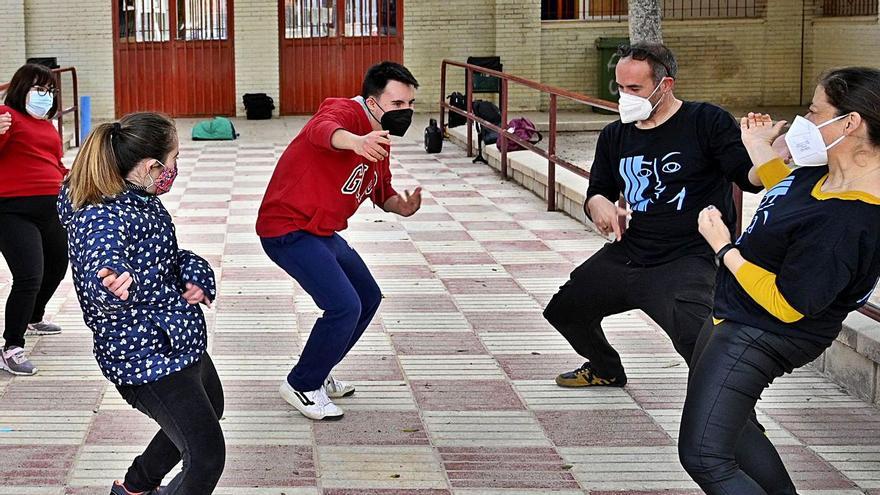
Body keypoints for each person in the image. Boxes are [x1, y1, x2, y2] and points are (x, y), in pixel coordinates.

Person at [679, 67, 880, 494]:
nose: (805, 120)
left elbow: (790, 303)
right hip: (732, 317)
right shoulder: (822, 172)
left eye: (814, 110)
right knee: (734, 434)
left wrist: (723, 249)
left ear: (850, 122)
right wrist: (757, 146)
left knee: (704, 455)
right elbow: (787, 197)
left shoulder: (851, 219)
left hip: (761, 332)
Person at [543, 42, 765, 388]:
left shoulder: (705, 122)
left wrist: (765, 153)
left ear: (665, 85)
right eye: (619, 87)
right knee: (564, 310)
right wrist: (598, 203)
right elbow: (598, 189)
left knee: (701, 343)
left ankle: (738, 419)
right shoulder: (616, 134)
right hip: (630, 253)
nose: (624, 97)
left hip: (687, 257)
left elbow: (748, 179)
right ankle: (605, 369)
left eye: (634, 88)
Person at [59, 112, 225, 494]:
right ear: (152, 166)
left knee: (210, 409)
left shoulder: (139, 199)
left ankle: (133, 487)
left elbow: (162, 259)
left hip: (176, 335)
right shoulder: (100, 216)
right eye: (174, 159)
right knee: (206, 456)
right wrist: (109, 287)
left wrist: (194, 272)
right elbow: (101, 269)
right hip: (143, 354)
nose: (175, 168)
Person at [257, 61, 422, 420]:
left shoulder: (380, 139)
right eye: (397, 105)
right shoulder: (345, 111)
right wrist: (356, 141)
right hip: (287, 228)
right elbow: (322, 129)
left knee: (367, 296)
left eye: (410, 105)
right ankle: (301, 384)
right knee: (344, 305)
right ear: (373, 102)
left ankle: (320, 369)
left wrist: (401, 207)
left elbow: (381, 190)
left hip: (321, 231)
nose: (405, 112)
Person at [0, 63, 69, 376]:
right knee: (29, 275)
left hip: (50, 206)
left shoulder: (46, 125)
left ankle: (34, 316)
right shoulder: (7, 116)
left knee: (57, 264)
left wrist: (72, 177)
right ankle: (11, 346)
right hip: (12, 211)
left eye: (50, 90)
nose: (46, 96)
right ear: (21, 89)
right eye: (39, 89)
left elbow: (52, 162)